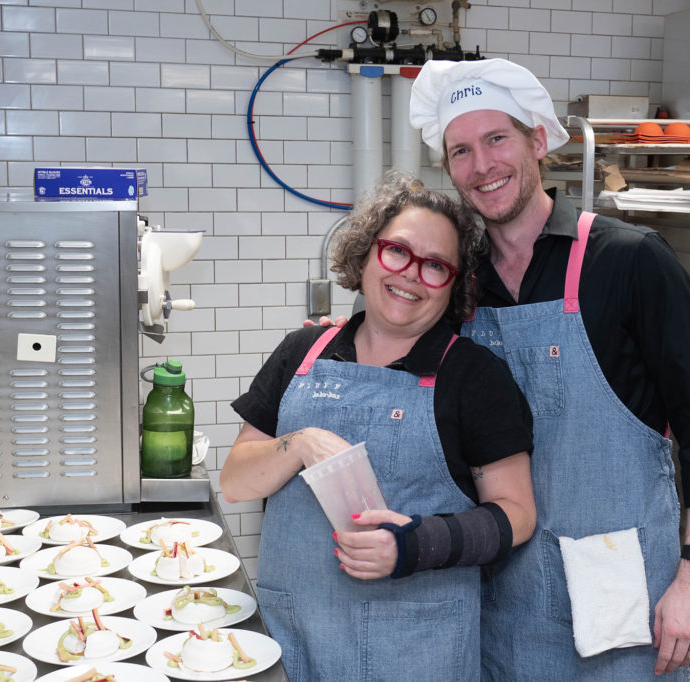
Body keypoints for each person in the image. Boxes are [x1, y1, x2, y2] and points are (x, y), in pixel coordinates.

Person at [408, 59, 690, 680]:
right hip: (501, 597)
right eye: (461, 150)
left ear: (537, 141)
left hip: (622, 597)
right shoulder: (459, 287)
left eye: (497, 139)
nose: (482, 166)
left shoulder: (630, 261)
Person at [220, 171, 536, 681]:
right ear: (367, 253)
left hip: (417, 650)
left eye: (436, 266)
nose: (411, 275)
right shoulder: (301, 354)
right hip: (295, 638)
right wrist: (300, 443)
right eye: (397, 252)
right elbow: (235, 482)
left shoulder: (474, 376)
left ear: (453, 284)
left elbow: (518, 514)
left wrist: (415, 543)